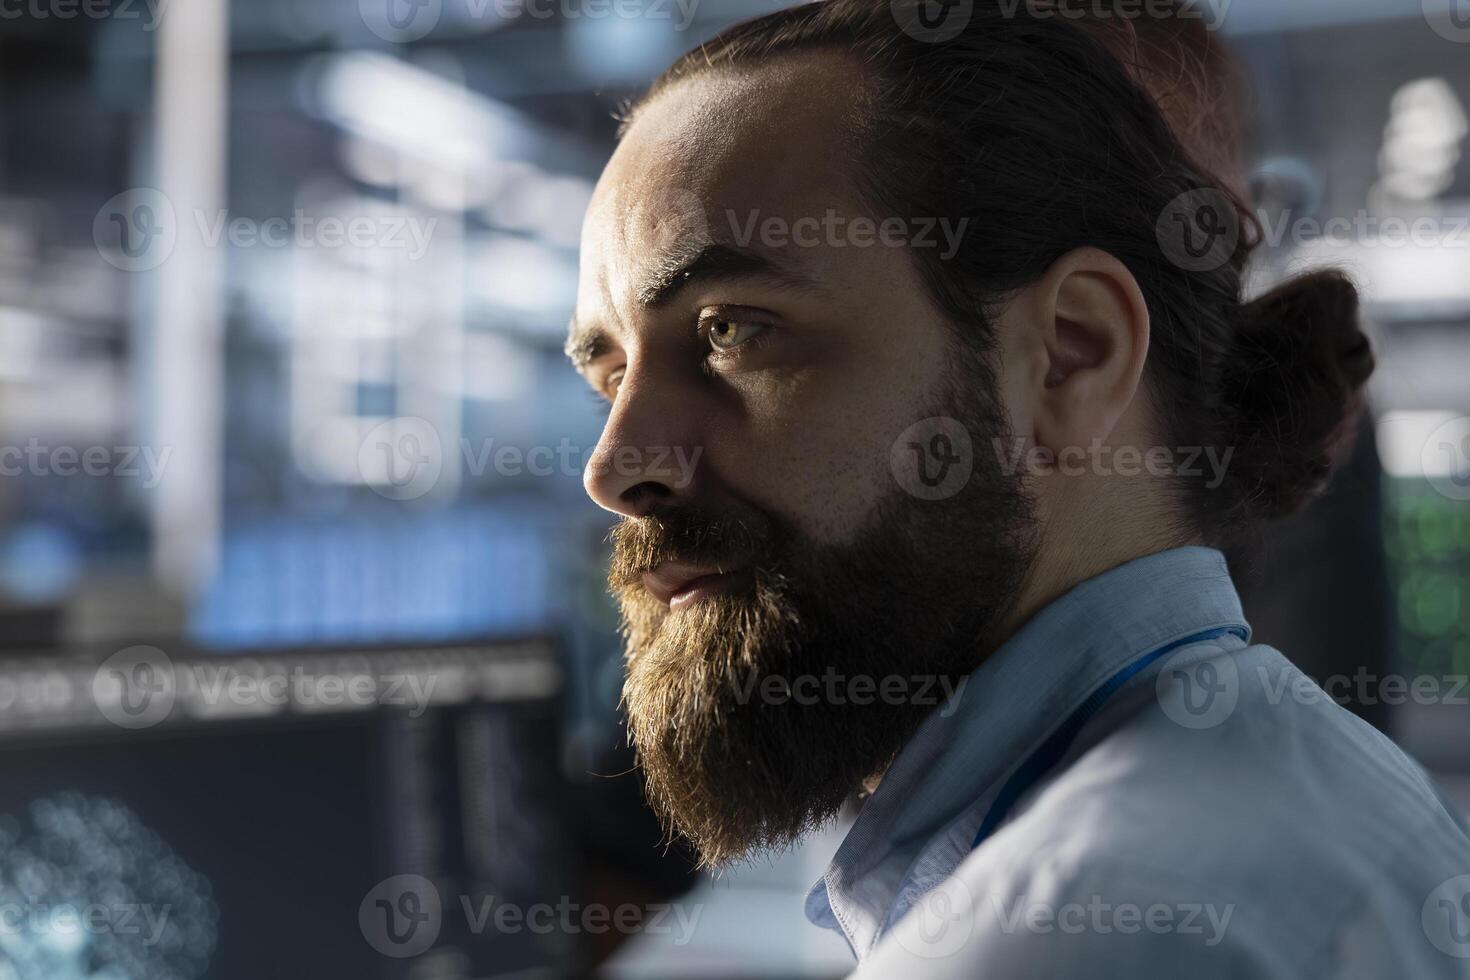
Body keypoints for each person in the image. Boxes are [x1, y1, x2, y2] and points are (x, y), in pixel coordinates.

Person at [565, 0, 1470, 974]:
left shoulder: (1070, 934)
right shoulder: (1313, 784)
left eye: (731, 330)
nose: (611, 468)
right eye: (610, 373)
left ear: (1073, 355)